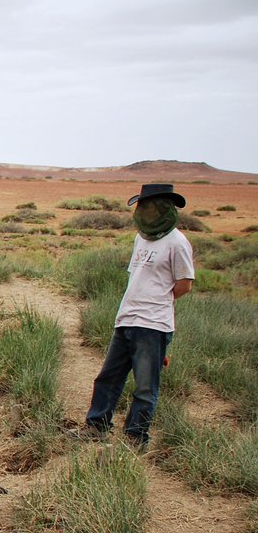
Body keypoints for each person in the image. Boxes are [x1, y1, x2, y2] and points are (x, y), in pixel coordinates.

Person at [82, 183, 195, 447]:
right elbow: (136, 276)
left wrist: (156, 301)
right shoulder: (140, 238)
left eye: (147, 205)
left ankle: (136, 436)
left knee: (145, 386)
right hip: (126, 318)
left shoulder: (177, 243)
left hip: (153, 324)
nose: (143, 211)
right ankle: (96, 426)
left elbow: (184, 284)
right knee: (108, 377)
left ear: (163, 208)